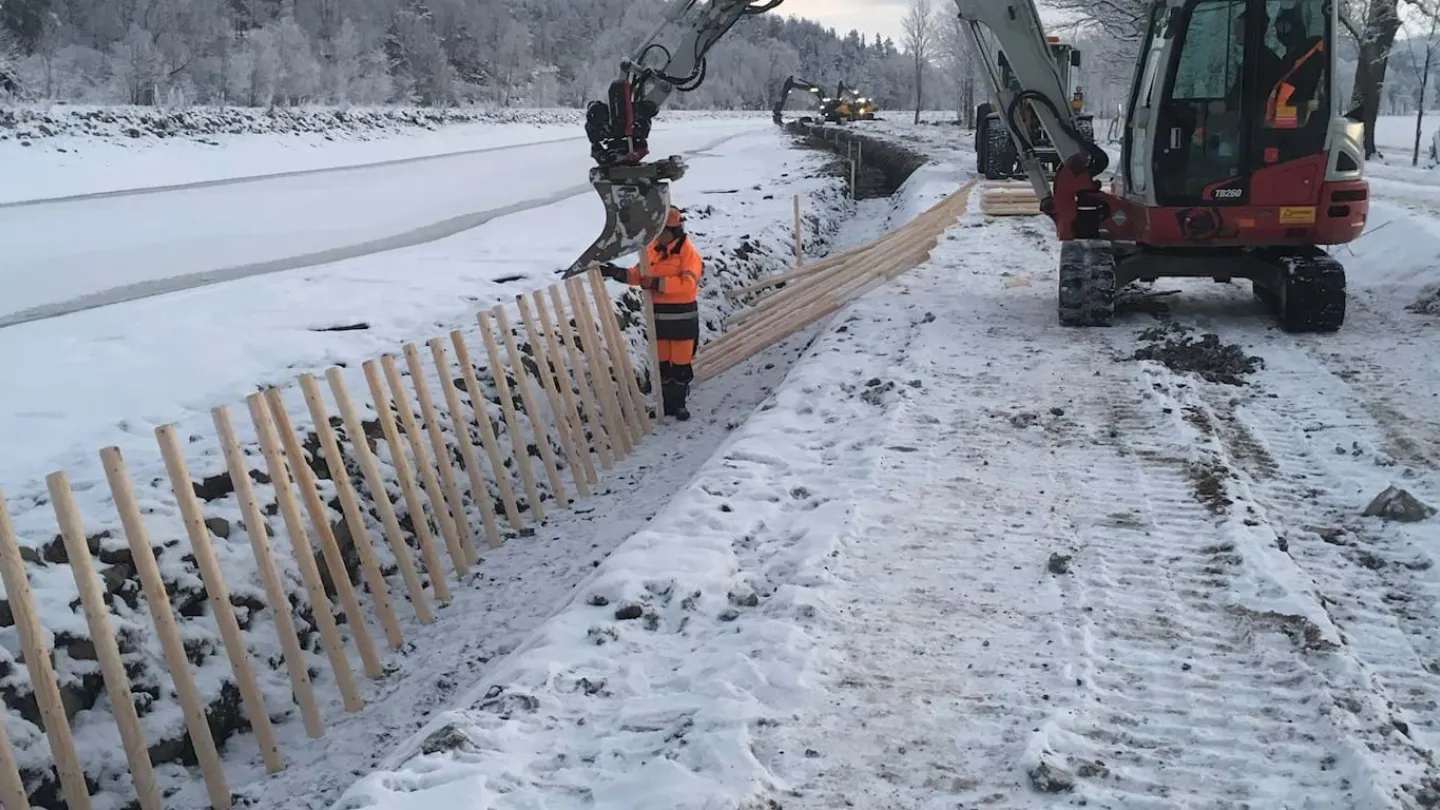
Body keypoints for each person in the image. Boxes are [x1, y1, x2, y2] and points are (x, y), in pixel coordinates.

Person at [599, 206, 703, 421]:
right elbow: (638, 276)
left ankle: (680, 404)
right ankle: (667, 405)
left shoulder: (689, 255)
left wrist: (656, 283)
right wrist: (616, 273)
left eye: (661, 231)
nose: (657, 236)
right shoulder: (652, 251)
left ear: (673, 231)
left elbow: (687, 285)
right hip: (660, 318)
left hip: (682, 318)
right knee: (663, 365)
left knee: (680, 365)